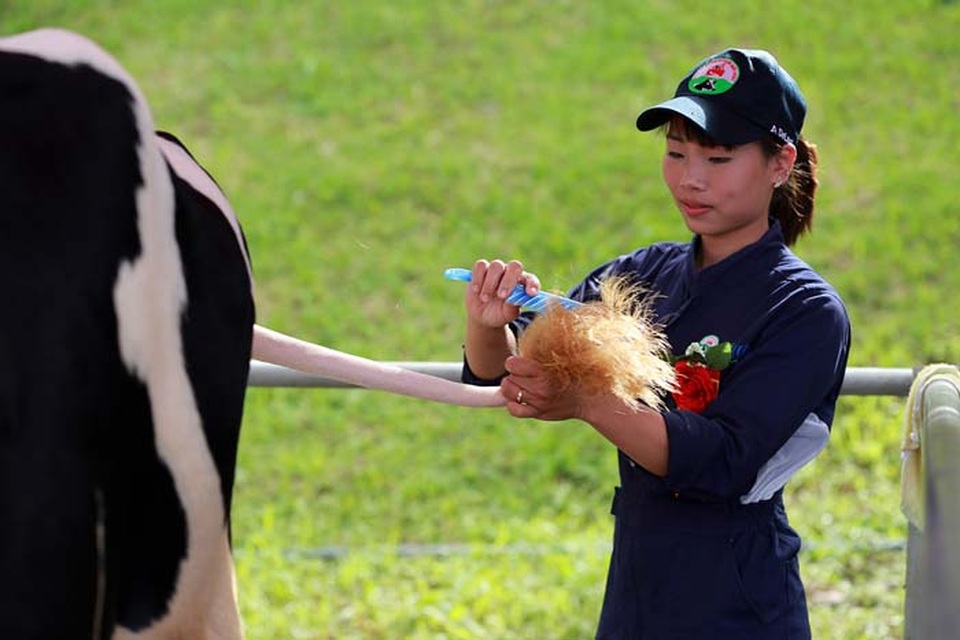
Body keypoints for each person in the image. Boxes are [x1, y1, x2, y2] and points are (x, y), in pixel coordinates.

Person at [459, 48, 851, 639]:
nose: (690, 178)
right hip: (636, 589)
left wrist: (589, 400)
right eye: (675, 153)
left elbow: (719, 462)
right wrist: (492, 324)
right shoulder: (640, 275)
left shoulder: (806, 311)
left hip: (738, 599)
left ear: (780, 163)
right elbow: (502, 378)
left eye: (718, 158)